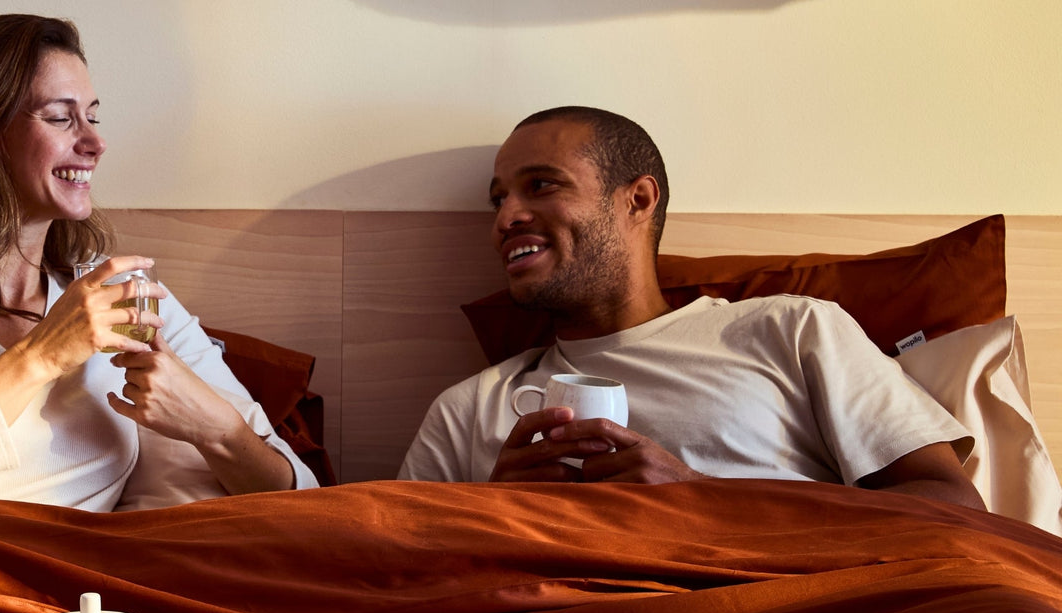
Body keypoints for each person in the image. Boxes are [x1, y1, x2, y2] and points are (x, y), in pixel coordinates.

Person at [0, 14, 315, 511]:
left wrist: (218, 430)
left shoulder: (120, 292)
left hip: (76, 595)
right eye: (62, 118)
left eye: (93, 115)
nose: (95, 142)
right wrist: (41, 356)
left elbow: (301, 496)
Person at [398, 106, 985, 510]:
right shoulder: (468, 411)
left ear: (638, 199)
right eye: (498, 199)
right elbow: (394, 579)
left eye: (541, 186)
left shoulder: (792, 330)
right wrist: (494, 517)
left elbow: (953, 505)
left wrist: (705, 497)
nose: (506, 218)